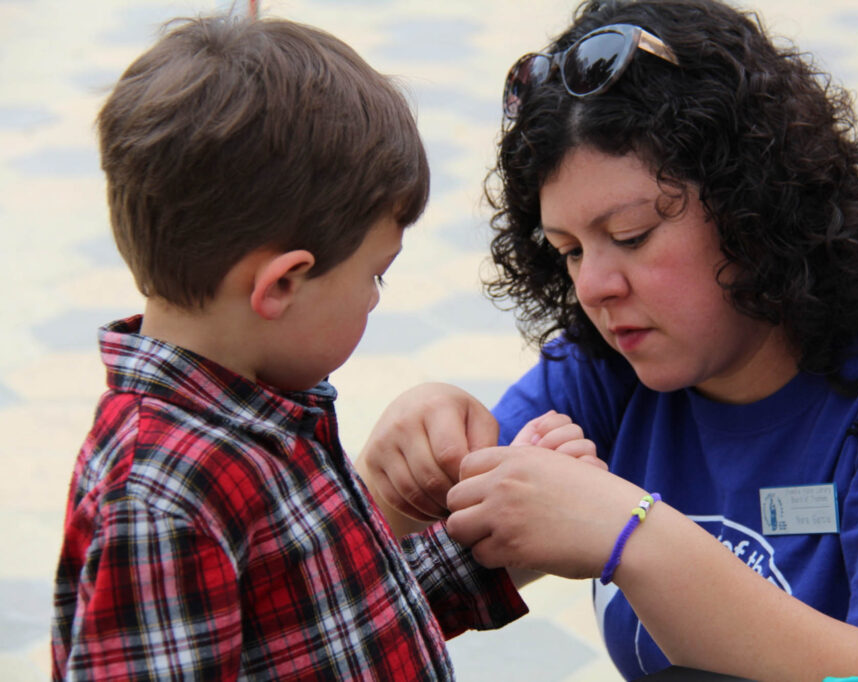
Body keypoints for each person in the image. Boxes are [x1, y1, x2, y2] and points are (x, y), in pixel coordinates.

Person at [355, 0, 858, 680]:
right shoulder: (615, 356)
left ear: (755, 204)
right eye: (570, 250)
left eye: (631, 236)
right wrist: (388, 492)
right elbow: (373, 598)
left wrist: (634, 535)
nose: (596, 287)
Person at [46, 13, 606, 680]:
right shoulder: (162, 496)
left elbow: (329, 623)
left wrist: (501, 538)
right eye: (375, 273)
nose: (376, 296)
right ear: (283, 283)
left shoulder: (260, 407)